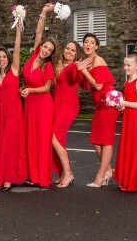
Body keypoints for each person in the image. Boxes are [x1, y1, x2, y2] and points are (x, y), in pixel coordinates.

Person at [21, 3, 58, 188]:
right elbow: (38, 33)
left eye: (49, 50)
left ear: (51, 53)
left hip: (42, 104)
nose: (45, 50)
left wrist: (30, 90)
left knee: (42, 140)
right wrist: (43, 13)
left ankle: (41, 177)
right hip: (29, 104)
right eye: (45, 46)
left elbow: (46, 88)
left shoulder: (48, 65)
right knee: (30, 139)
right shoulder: (34, 54)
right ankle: (30, 174)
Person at [78, 33, 119, 188]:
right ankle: (108, 170)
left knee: (106, 141)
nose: (88, 44)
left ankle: (100, 176)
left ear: (97, 46)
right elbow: (86, 86)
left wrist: (83, 70)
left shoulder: (99, 60)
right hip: (99, 106)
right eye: (86, 42)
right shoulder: (87, 62)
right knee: (96, 140)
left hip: (108, 105)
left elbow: (98, 86)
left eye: (92, 42)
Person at [51, 41, 91, 188]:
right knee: (59, 139)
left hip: (68, 105)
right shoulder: (58, 64)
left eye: (73, 50)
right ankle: (63, 172)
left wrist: (79, 70)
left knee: (53, 137)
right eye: (67, 48)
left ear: (76, 54)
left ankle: (68, 173)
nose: (69, 51)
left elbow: (77, 79)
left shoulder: (74, 66)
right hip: (57, 104)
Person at [113, 52, 137, 192]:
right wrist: (121, 105)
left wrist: (125, 102)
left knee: (135, 147)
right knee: (128, 146)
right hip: (129, 117)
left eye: (129, 65)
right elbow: (130, 101)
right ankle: (126, 179)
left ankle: (134, 182)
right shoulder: (128, 81)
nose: (126, 67)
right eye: (124, 64)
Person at [0, 21, 25, 191]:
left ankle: (9, 178)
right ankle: (2, 175)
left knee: (9, 144)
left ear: (8, 58)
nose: (1, 59)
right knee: (0, 143)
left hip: (13, 111)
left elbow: (17, 50)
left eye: (4, 56)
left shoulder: (14, 70)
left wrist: (18, 32)